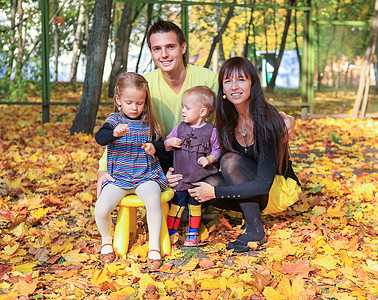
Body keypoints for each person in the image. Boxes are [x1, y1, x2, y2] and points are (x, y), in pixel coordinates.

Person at [97, 20, 296, 196]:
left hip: (203, 159)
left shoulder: (207, 79)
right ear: (151, 52)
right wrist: (102, 169)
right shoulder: (145, 86)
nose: (164, 54)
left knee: (225, 160)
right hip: (164, 159)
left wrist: (283, 117)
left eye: (170, 47)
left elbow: (241, 99)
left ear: (183, 47)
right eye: (157, 49)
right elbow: (122, 127)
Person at [188, 57, 301, 253]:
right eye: (228, 81)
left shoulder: (267, 119)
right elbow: (208, 155)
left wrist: (214, 194)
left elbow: (262, 183)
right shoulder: (227, 118)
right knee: (204, 181)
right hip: (254, 187)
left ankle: (255, 231)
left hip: (278, 188)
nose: (234, 86)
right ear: (222, 88)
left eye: (241, 79)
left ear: (252, 84)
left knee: (230, 162)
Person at [94, 72, 167, 269]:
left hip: (146, 176)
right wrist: (113, 133)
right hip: (119, 178)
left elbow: (161, 145)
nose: (134, 108)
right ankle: (107, 241)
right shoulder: (114, 120)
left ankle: (153, 248)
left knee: (153, 201)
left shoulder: (149, 121)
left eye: (139, 103)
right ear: (118, 100)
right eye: (129, 102)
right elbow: (99, 137)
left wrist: (154, 147)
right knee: (101, 208)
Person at [164, 85, 220, 247]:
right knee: (176, 206)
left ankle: (192, 234)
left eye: (187, 108)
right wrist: (169, 142)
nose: (183, 111)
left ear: (202, 112)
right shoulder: (179, 128)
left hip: (199, 178)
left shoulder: (211, 131)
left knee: (195, 207)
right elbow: (167, 144)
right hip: (181, 177)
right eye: (183, 107)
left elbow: (217, 149)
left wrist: (209, 159)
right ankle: (170, 234)